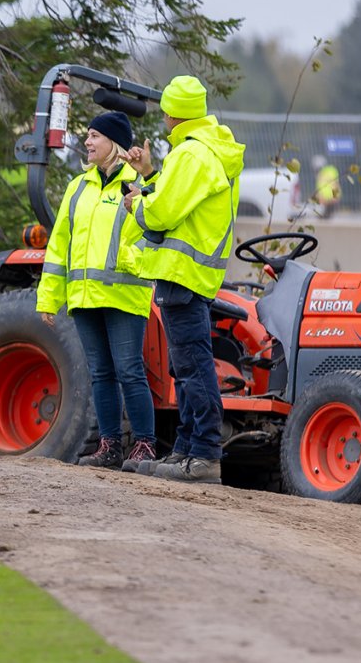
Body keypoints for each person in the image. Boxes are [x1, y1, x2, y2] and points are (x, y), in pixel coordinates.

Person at [121, 75, 244, 484]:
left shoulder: (192, 154)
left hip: (182, 273)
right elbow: (179, 202)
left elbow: (163, 214)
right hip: (190, 275)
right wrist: (151, 177)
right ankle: (187, 450)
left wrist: (137, 204)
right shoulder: (203, 150)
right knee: (186, 366)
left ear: (173, 112)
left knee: (192, 368)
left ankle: (204, 454)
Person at [35, 111, 157, 473]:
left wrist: (130, 260)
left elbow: (156, 232)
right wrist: (49, 298)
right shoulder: (78, 187)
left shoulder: (140, 183)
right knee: (100, 374)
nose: (87, 142)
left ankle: (146, 446)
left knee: (130, 371)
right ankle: (110, 447)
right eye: (87, 136)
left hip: (124, 296)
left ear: (114, 143)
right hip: (85, 298)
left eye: (94, 136)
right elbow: (59, 247)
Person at [312, 154, 341, 219]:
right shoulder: (331, 170)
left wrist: (334, 198)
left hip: (328, 201)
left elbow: (335, 185)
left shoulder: (325, 173)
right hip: (327, 201)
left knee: (325, 217)